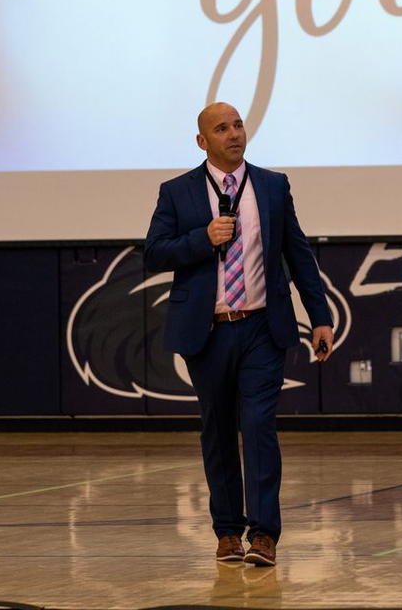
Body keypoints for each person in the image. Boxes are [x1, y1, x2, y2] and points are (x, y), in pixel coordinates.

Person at [144, 102, 334, 566]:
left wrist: (320, 315)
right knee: (219, 433)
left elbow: (299, 253)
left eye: (238, 125)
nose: (234, 133)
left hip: (262, 328)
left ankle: (264, 533)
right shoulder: (177, 192)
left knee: (258, 427)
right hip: (208, 331)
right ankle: (227, 531)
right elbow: (154, 253)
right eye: (221, 128)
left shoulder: (272, 185)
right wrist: (202, 238)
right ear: (202, 141)